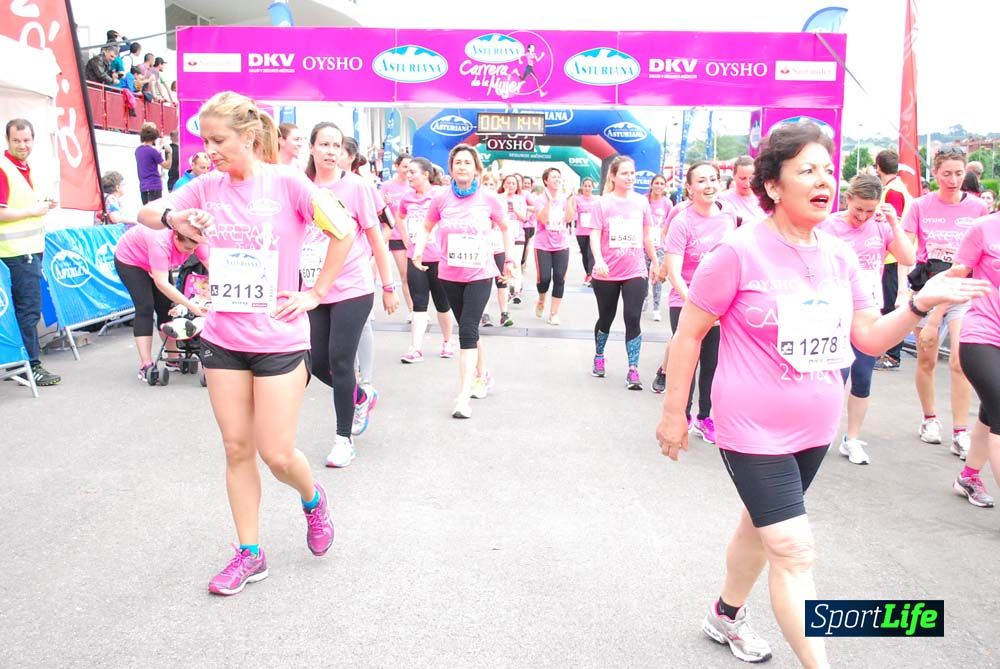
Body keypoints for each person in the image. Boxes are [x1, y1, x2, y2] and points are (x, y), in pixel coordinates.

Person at [655, 121, 988, 667]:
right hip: (750, 425)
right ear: (773, 185)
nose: (822, 180)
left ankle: (725, 614)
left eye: (827, 170)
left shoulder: (837, 256)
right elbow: (690, 333)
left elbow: (869, 336)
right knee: (793, 548)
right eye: (806, 170)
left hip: (815, 428)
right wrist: (675, 414)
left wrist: (921, 303)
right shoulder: (737, 251)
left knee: (761, 528)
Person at [137, 91, 353, 596]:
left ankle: (312, 498)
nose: (209, 150)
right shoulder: (205, 187)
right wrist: (175, 219)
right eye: (205, 140)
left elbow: (342, 230)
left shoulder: (287, 183)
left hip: (278, 336)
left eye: (219, 140)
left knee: (276, 453)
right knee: (236, 448)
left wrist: (315, 293)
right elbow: (148, 212)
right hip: (223, 336)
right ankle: (250, 553)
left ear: (250, 137)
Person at [303, 122, 398, 466]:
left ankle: (343, 439)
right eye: (324, 144)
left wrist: (388, 286)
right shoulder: (299, 186)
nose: (330, 151)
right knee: (318, 364)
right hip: (313, 289)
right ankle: (360, 397)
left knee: (342, 360)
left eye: (336, 145)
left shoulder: (356, 186)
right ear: (311, 148)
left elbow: (375, 239)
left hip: (353, 286)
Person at [819, 174, 915, 464]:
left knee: (862, 377)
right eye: (858, 208)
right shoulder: (829, 225)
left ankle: (852, 438)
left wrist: (895, 224)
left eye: (870, 210)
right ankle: (818, 436)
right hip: (833, 311)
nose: (862, 216)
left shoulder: (881, 228)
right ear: (848, 199)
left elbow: (908, 258)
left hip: (868, 312)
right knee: (834, 378)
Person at [413, 143, 513, 419]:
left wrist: (510, 260)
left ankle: (463, 396)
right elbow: (426, 226)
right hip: (449, 274)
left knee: (467, 331)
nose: (462, 167)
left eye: (468, 162)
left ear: (476, 168)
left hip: (480, 274)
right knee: (469, 330)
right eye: (458, 162)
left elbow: (506, 227)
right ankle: (484, 375)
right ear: (451, 167)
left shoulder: (489, 198)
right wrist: (419, 249)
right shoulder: (441, 198)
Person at [904, 148, 989, 456]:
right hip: (929, 289)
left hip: (963, 292)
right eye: (946, 173)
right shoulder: (920, 206)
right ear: (935, 174)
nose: (953, 180)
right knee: (926, 359)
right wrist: (907, 293)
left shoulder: (979, 209)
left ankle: (960, 431)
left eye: (958, 173)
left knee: (960, 361)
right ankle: (929, 419)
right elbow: (906, 249)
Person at [654, 162, 737, 442]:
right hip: (686, 301)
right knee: (687, 363)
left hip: (721, 305)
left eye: (713, 179)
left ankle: (705, 418)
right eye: (701, 181)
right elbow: (674, 273)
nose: (709, 185)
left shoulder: (728, 216)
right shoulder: (682, 222)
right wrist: (698, 305)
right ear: (689, 187)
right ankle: (682, 415)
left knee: (713, 364)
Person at [589, 156, 658, 389]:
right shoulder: (602, 203)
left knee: (632, 316)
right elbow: (594, 234)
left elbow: (647, 235)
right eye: (624, 173)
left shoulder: (642, 202)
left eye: (632, 173)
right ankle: (599, 355)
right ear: (613, 176)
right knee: (606, 317)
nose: (630, 177)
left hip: (635, 269)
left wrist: (656, 261)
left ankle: (633, 369)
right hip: (606, 271)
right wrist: (598, 259)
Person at [0, 118, 60, 386]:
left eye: (26, 140)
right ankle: (31, 364)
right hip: (15, 252)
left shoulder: (26, 169)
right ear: (8, 141)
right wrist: (32, 211)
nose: (22, 145)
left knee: (25, 310)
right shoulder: (4, 169)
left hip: (31, 250)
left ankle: (23, 363)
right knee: (28, 310)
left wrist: (45, 204)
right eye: (17, 140)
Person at [113, 224, 209, 378]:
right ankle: (146, 364)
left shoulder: (195, 239)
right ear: (176, 237)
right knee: (145, 306)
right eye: (187, 248)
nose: (191, 252)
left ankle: (173, 358)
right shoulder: (161, 242)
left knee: (166, 306)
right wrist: (192, 306)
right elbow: (162, 284)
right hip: (132, 261)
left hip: (159, 259)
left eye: (194, 248)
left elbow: (212, 267)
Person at [951, 211, 1000, 507]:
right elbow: (955, 277)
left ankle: (969, 476)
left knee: (991, 410)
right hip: (982, 334)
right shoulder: (983, 228)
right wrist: (933, 320)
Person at [397, 157, 454, 363]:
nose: (408, 175)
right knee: (419, 304)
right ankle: (415, 348)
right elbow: (400, 217)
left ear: (426, 174)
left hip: (439, 257)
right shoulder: (407, 198)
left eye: (413, 172)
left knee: (442, 304)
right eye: (407, 172)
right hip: (415, 258)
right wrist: (407, 241)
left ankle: (447, 341)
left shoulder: (440, 194)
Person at [873, 149, 914, 371]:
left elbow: (893, 223)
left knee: (891, 306)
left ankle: (892, 354)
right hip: (891, 256)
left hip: (893, 257)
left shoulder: (893, 192)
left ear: (878, 167)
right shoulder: (894, 188)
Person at [534, 167, 575, 325]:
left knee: (559, 278)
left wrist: (570, 200)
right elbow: (543, 220)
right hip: (543, 244)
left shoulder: (565, 199)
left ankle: (554, 313)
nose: (557, 179)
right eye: (553, 177)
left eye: (559, 177)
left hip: (561, 244)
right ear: (546, 181)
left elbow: (569, 218)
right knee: (544, 279)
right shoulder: (539, 199)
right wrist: (550, 201)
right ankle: (542, 298)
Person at [381, 154, 415, 319]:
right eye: (404, 167)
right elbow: (379, 210)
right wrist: (385, 203)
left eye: (410, 167)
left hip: (415, 236)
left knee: (418, 275)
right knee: (406, 275)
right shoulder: (387, 186)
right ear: (396, 166)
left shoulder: (414, 186)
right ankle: (412, 310)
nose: (407, 171)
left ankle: (420, 309)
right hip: (396, 236)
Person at [479, 172, 513, 327]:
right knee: (483, 282)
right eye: (485, 184)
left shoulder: (500, 202)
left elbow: (503, 226)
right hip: (482, 248)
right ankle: (484, 313)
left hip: (498, 246)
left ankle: (504, 313)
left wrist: (509, 257)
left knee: (501, 281)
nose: (488, 187)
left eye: (491, 184)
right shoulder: (476, 201)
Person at [645, 174, 672, 321]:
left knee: (657, 275)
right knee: (642, 274)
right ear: (651, 184)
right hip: (643, 244)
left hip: (659, 244)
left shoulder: (667, 203)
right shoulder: (644, 200)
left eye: (662, 183)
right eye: (657, 183)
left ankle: (656, 307)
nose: (659, 186)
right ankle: (643, 298)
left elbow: (669, 224)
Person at [498, 174, 528, 303]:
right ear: (503, 184)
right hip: (501, 236)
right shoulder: (498, 198)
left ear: (517, 186)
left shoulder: (520, 199)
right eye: (508, 183)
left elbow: (524, 217)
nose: (510, 186)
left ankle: (516, 291)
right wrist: (503, 197)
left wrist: (514, 210)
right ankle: (508, 287)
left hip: (517, 235)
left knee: (516, 262)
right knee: (505, 264)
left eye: (513, 184)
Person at [720, 155, 766, 224]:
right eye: (742, 178)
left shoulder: (764, 198)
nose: (747, 183)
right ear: (734, 175)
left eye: (751, 178)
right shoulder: (723, 199)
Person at [135, 123, 170, 203]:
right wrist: (169, 153)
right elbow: (167, 166)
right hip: (154, 185)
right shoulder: (153, 151)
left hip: (143, 186)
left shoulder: (138, 150)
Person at [573, 177, 599, 286]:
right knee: (585, 254)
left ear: (593, 187)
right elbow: (573, 212)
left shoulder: (597, 199)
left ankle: (592, 277)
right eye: (585, 186)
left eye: (589, 186)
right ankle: (588, 273)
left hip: (593, 232)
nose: (587, 188)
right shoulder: (577, 199)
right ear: (582, 187)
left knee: (591, 254)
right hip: (581, 232)